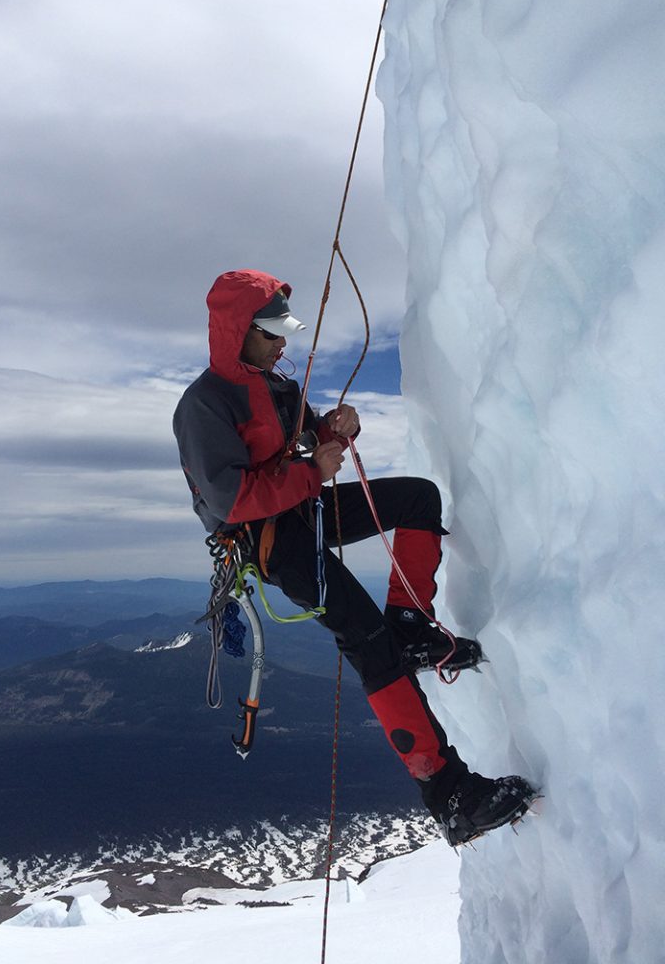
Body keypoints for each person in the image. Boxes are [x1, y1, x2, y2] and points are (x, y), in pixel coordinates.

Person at [173, 268, 535, 846]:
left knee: (419, 499)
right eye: (270, 332)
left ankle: (411, 624)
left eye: (281, 332)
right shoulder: (204, 405)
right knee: (367, 639)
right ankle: (449, 795)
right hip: (269, 540)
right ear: (237, 331)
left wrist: (337, 427)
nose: (281, 343)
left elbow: (311, 432)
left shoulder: (276, 385)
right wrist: (312, 469)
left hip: (305, 508)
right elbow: (235, 499)